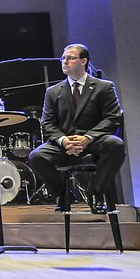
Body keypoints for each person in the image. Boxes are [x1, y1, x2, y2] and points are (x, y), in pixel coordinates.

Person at [28, 44, 125, 214]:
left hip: (95, 141)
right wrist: (64, 140)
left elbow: (112, 118)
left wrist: (88, 138)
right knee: (36, 156)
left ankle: (95, 193)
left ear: (84, 61)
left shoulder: (104, 87)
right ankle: (64, 195)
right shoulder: (53, 91)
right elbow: (48, 124)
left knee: (115, 144)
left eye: (70, 58)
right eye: (63, 58)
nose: (64, 61)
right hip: (65, 143)